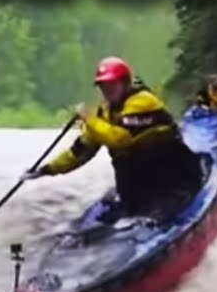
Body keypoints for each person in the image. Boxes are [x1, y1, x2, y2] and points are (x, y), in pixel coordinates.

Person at [22, 56, 202, 220]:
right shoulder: (102, 115)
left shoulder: (143, 102)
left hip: (175, 182)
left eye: (112, 84)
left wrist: (88, 118)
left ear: (125, 83)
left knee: (161, 211)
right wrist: (45, 170)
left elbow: (120, 139)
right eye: (103, 86)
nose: (107, 90)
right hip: (138, 191)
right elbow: (79, 153)